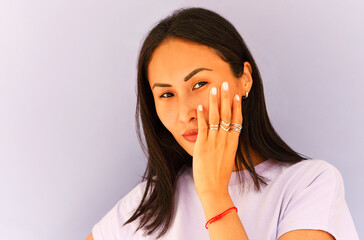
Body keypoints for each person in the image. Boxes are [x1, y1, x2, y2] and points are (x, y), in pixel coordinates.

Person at [86, 7, 359, 240]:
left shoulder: (309, 184)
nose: (185, 113)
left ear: (245, 79)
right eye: (166, 94)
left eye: (200, 84)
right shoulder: (151, 203)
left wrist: (214, 192)